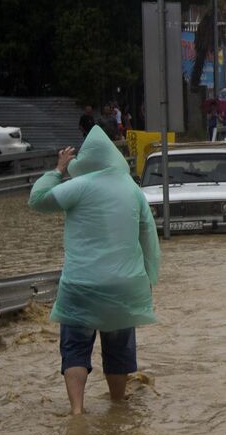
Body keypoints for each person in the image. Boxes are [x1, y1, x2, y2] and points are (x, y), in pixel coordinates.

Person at [29, 126, 160, 416]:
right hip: (124, 287)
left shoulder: (79, 187)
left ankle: (77, 412)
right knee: (118, 349)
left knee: (75, 347)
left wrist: (58, 170)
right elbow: (149, 237)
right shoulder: (132, 189)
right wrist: (148, 279)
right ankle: (117, 407)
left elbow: (37, 199)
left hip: (81, 285)